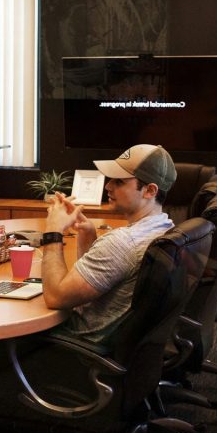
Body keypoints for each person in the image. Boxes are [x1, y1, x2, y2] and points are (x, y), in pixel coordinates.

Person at [36, 143, 177, 346]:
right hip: (123, 346)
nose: (108, 186)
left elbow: (55, 297)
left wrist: (53, 232)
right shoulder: (165, 227)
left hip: (76, 345)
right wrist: (88, 234)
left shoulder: (123, 243)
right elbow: (101, 280)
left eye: (119, 182)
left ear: (149, 190)